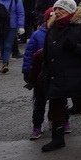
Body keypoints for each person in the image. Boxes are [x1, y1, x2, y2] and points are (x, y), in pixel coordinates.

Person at [39, 0, 81, 152]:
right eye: (56, 9)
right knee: (56, 106)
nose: (57, 12)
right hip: (56, 74)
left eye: (61, 10)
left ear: (71, 12)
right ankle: (57, 139)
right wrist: (44, 70)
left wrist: (75, 47)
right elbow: (47, 51)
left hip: (76, 75)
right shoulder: (52, 28)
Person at [23, 8, 50, 140]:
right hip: (40, 75)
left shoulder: (63, 33)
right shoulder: (37, 35)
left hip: (57, 74)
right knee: (39, 101)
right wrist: (27, 71)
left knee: (60, 101)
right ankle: (37, 125)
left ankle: (60, 122)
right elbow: (28, 54)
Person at [0, 0, 25, 73]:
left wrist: (21, 26)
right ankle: (4, 62)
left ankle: (5, 64)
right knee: (2, 45)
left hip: (12, 26)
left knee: (8, 45)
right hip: (0, 27)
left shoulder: (17, 1)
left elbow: (21, 13)